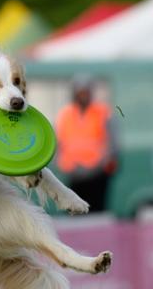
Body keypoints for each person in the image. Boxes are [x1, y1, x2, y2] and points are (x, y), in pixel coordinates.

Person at [55, 77, 117, 212]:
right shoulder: (66, 114)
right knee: (76, 212)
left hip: (97, 175)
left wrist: (102, 163)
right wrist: (64, 165)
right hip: (74, 174)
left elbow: (112, 143)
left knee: (96, 212)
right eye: (80, 92)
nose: (83, 95)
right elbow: (59, 143)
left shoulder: (102, 112)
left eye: (85, 92)